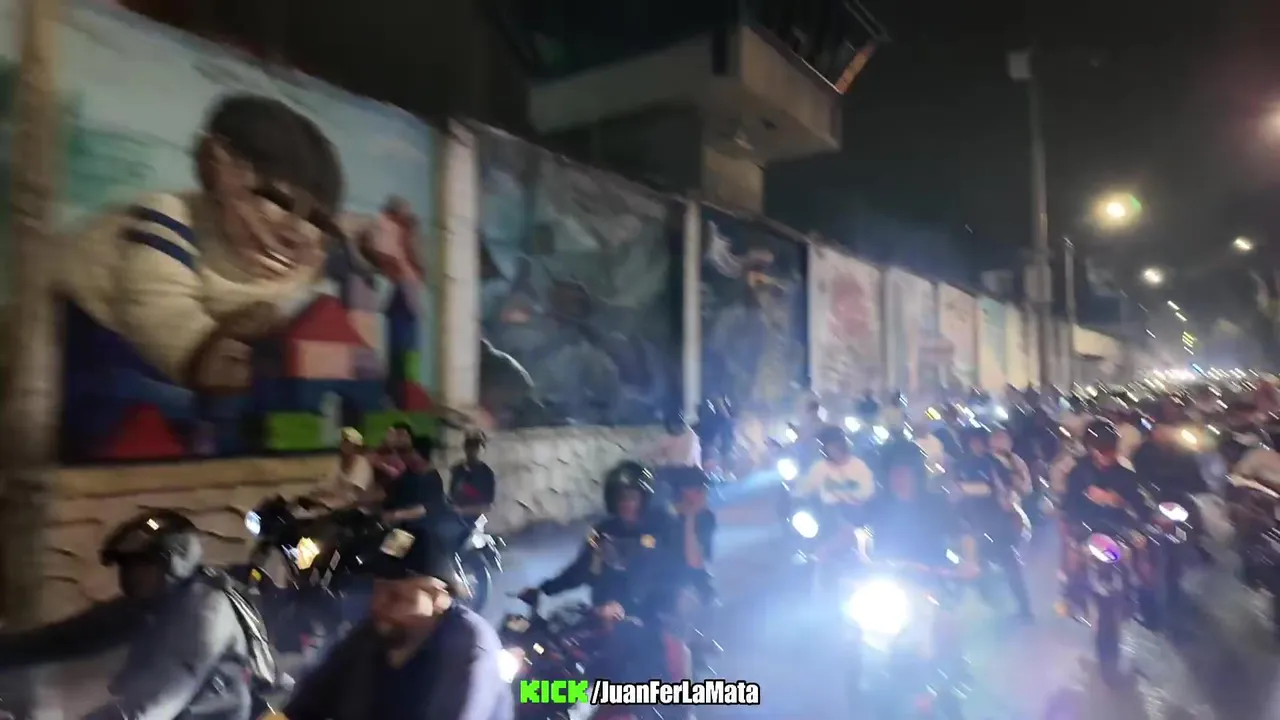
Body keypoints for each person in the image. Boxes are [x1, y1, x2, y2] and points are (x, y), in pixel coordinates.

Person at [0, 511, 255, 720]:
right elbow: (69, 637)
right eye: (126, 568)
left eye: (140, 567)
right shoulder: (154, 603)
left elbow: (154, 702)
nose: (129, 578)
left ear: (172, 564)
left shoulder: (205, 612)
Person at [283, 524, 513, 720]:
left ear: (437, 597)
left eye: (396, 596)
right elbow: (306, 702)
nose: (378, 603)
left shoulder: (468, 647)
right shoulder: (371, 635)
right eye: (377, 590)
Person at [1059, 419, 1151, 616]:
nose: (1106, 454)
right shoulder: (1078, 472)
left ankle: (1144, 600)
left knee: (1142, 554)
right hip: (1087, 527)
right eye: (1101, 449)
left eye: (1110, 448)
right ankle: (1072, 597)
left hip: (1119, 528)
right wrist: (1072, 522)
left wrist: (1122, 504)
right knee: (1073, 558)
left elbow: (1138, 503)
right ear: (1091, 449)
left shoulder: (1125, 473)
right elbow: (1068, 504)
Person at [952, 426, 1033, 620]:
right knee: (976, 567)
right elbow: (953, 493)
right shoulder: (960, 465)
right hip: (973, 524)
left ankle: (1024, 609)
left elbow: (999, 488)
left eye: (980, 441)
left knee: (1010, 564)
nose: (977, 445)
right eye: (974, 442)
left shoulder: (993, 463)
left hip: (996, 523)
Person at [1131, 401, 1210, 559]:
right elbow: (1141, 477)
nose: (1166, 434)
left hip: (1181, 495)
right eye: (1161, 430)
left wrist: (1196, 490)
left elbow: (1193, 473)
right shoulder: (1144, 451)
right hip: (1155, 496)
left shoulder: (1183, 452)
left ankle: (1197, 543)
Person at [794, 425, 877, 514]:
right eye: (832, 447)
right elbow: (804, 489)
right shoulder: (819, 468)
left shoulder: (858, 465)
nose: (836, 450)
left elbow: (868, 491)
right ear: (825, 449)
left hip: (856, 512)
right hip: (829, 514)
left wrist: (847, 498)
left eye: (838, 446)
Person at [311, 427, 378, 508]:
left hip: (359, 508)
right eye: (343, 441)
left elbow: (354, 497)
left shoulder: (361, 465)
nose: (343, 445)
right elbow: (330, 484)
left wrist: (327, 503)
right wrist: (317, 492)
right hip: (339, 504)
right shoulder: (339, 462)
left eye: (347, 442)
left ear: (356, 448)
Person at [449, 431, 497, 520]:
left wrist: (463, 511)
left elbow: (487, 506)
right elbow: (452, 498)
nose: (471, 450)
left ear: (479, 449)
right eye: (468, 446)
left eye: (474, 447)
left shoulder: (486, 474)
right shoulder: (458, 470)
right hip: (457, 520)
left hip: (478, 521)